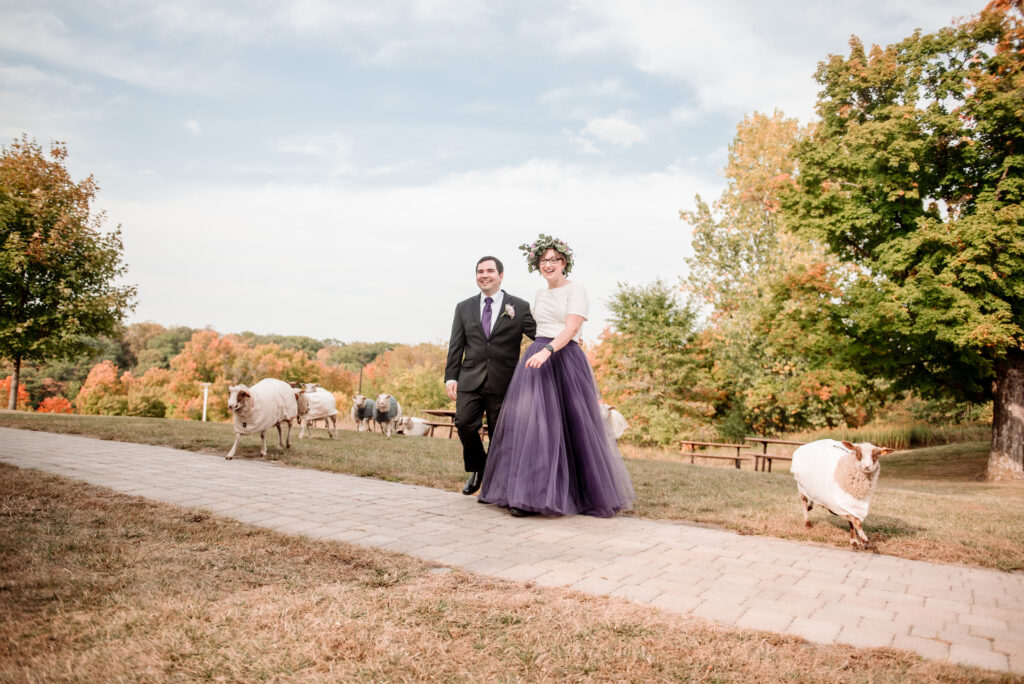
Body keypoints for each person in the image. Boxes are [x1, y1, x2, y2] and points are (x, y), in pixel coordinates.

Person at [478, 235, 635, 517]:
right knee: (533, 427)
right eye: (543, 260)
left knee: (572, 427)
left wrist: (548, 351)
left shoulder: (577, 289)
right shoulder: (539, 295)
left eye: (554, 259)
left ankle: (579, 494)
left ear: (564, 263)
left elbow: (572, 328)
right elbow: (536, 326)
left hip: (563, 358)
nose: (548, 264)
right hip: (537, 358)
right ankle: (527, 496)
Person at [445, 256, 537, 495]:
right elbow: (456, 344)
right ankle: (479, 467)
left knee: (500, 433)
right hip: (469, 378)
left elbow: (539, 335)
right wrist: (451, 376)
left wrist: (566, 336)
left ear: (501, 276)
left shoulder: (519, 306)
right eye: (479, 271)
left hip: (504, 380)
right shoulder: (463, 307)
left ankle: (500, 484)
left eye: (489, 271)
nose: (484, 275)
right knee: (464, 423)